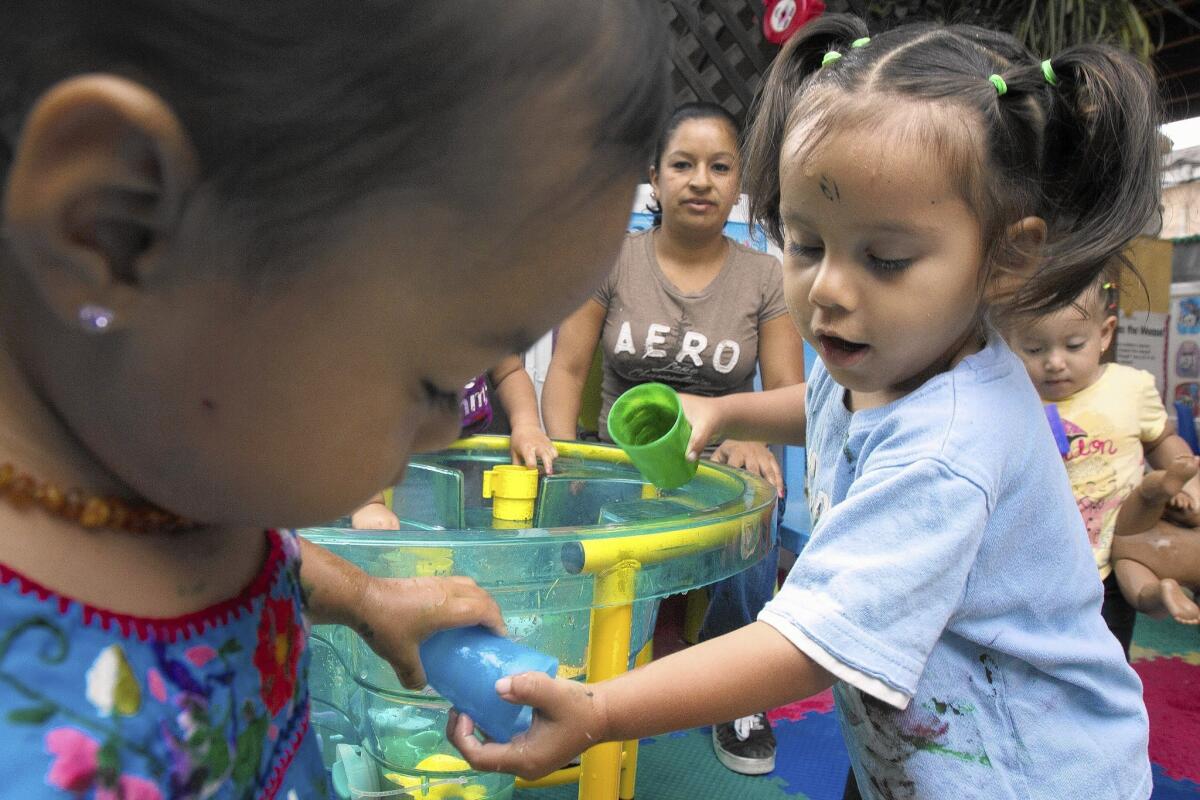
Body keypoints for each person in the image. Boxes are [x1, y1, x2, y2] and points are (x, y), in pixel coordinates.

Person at [448, 15, 1161, 799]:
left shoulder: (950, 448)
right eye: (806, 243)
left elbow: (806, 645)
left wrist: (598, 710)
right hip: (921, 748)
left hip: (1030, 775)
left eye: (885, 258)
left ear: (1007, 255)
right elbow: (823, 402)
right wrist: (727, 414)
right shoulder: (885, 349)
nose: (827, 290)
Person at [0, 2, 667, 795]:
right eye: (434, 382)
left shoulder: (174, 459)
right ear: (116, 223)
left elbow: (250, 554)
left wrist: (367, 599)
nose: (447, 430)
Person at [540, 101, 807, 774]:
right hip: (616, 466)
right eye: (682, 165)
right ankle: (587, 675)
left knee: (762, 506)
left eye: (720, 167)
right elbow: (567, 367)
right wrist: (560, 454)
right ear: (654, 179)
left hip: (718, 469)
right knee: (575, 558)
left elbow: (787, 392)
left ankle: (738, 696)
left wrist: (758, 443)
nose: (701, 180)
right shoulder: (612, 259)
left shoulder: (765, 278)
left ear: (738, 181)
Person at [1008, 273, 1200, 656]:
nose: (1054, 362)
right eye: (1033, 349)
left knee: (1110, 660)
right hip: (1040, 566)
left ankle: (1158, 601)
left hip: (1114, 557)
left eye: (1074, 344)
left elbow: (1160, 439)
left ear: (1105, 333)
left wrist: (1188, 482)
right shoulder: (1011, 400)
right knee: (1042, 662)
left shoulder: (1129, 388)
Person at [352, 354, 557, 529]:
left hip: (472, 455)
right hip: (412, 464)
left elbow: (509, 372)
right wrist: (369, 502)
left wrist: (527, 424)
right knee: (418, 542)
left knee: (474, 531)